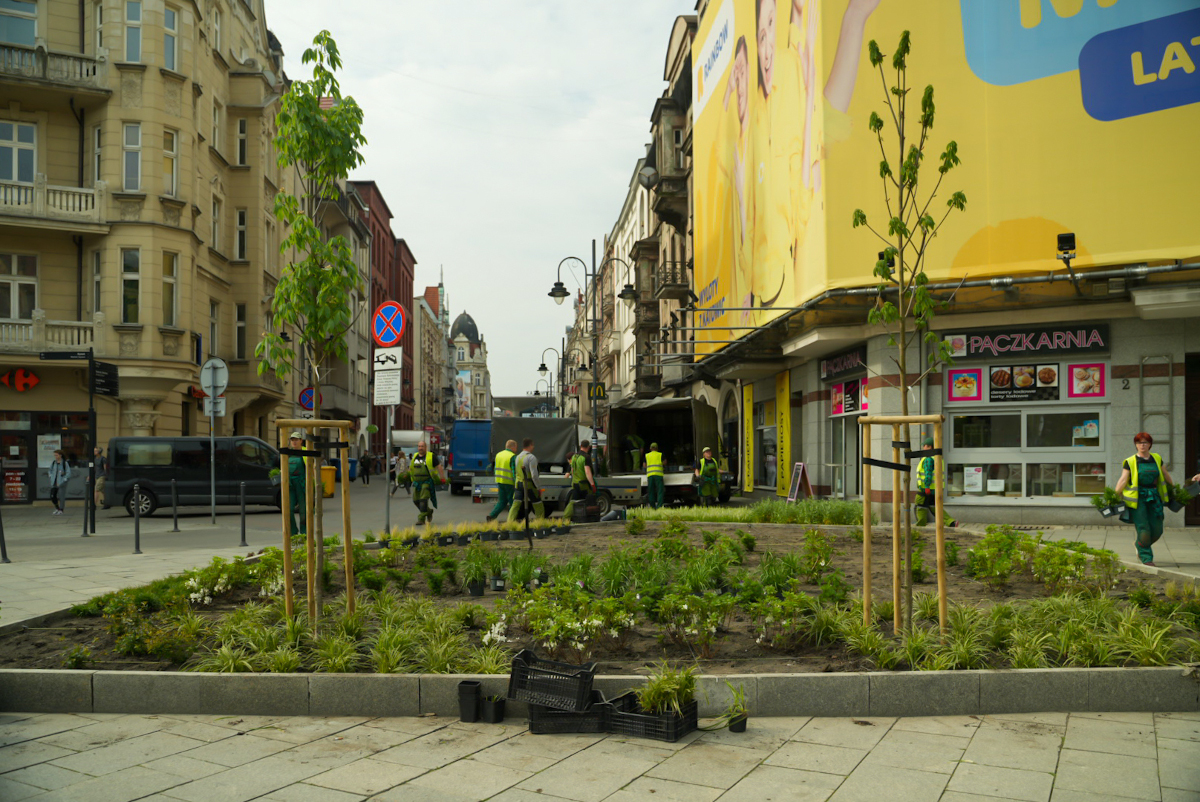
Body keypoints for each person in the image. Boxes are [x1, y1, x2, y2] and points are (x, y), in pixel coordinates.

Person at [1114, 433, 1177, 566]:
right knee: (1144, 528)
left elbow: (1165, 475)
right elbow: (1123, 479)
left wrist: (1175, 489)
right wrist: (1114, 495)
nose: (1142, 445)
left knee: (1157, 529)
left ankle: (1139, 544)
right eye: (1139, 442)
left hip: (1154, 497)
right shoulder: (1130, 461)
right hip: (1138, 499)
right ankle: (1146, 557)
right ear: (1135, 445)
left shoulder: (1157, 458)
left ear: (1150, 444)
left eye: (1145, 442)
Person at [914, 436, 957, 528]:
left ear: (929, 447)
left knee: (920, 505)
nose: (923, 448)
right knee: (935, 507)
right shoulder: (937, 458)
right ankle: (951, 522)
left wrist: (927, 486)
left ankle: (920, 525)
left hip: (926, 488)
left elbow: (928, 474)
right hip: (936, 489)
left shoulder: (928, 459)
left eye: (925, 446)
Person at [508, 438, 544, 541]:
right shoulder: (531, 457)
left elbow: (516, 472)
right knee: (538, 504)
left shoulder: (517, 457)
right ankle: (539, 525)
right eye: (533, 445)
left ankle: (509, 525)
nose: (533, 447)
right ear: (530, 445)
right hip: (528, 485)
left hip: (518, 484)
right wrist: (538, 487)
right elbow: (534, 475)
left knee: (516, 504)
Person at [409, 440, 445, 525]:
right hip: (416, 482)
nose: (420, 448)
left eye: (422, 446)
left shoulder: (431, 456)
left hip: (427, 481)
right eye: (419, 446)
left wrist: (442, 478)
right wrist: (408, 476)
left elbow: (439, 466)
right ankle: (428, 511)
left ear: (426, 447)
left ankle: (421, 519)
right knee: (415, 500)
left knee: (423, 500)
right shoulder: (415, 456)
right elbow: (411, 468)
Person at [563, 440, 597, 522]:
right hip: (583, 484)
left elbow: (572, 469)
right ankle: (589, 519)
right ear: (588, 447)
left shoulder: (574, 457)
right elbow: (587, 472)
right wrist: (592, 485)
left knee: (574, 501)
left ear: (580, 445)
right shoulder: (586, 457)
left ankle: (566, 518)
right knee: (590, 500)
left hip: (575, 483)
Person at [487, 439, 518, 522]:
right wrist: (517, 483)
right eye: (516, 447)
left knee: (502, 501)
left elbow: (495, 469)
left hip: (500, 481)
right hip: (509, 483)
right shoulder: (512, 456)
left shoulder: (498, 455)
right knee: (512, 502)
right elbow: (514, 472)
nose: (516, 449)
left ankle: (492, 516)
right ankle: (512, 520)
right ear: (513, 447)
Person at [287, 432, 307, 536]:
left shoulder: (306, 452)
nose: (294, 442)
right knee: (288, 509)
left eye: (296, 440)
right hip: (290, 484)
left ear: (301, 441)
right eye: (292, 440)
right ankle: (293, 533)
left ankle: (304, 533)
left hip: (302, 484)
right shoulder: (287, 453)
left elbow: (312, 468)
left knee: (304, 510)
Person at [48, 449, 71, 515]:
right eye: (55, 455)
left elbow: (68, 473)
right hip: (54, 482)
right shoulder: (53, 463)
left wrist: (64, 479)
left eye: (56, 455)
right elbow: (50, 470)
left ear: (60, 455)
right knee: (52, 496)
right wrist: (50, 476)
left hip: (61, 482)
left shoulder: (64, 463)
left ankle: (61, 509)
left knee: (61, 496)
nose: (55, 456)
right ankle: (57, 508)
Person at [644, 442, 665, 509]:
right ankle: (659, 506)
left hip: (650, 475)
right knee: (660, 491)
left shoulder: (647, 455)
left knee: (651, 491)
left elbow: (644, 465)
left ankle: (652, 507)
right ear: (657, 448)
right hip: (658, 475)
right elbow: (665, 462)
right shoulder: (660, 454)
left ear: (650, 448)